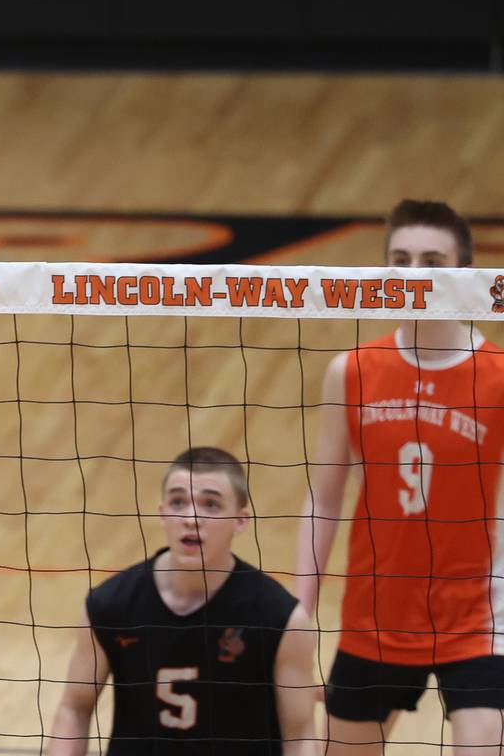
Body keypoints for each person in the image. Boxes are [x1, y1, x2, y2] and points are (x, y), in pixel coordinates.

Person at [295, 199, 504, 756]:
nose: (414, 275)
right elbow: (324, 498)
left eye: (433, 261)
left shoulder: (500, 376)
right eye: (401, 259)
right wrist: (301, 605)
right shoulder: (353, 371)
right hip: (375, 613)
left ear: (465, 275)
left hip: (479, 618)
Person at [48, 447, 317, 756]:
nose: (191, 518)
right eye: (178, 502)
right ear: (162, 513)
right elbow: (74, 709)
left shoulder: (279, 618)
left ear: (240, 522)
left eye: (211, 505)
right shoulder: (111, 605)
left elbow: (299, 737)